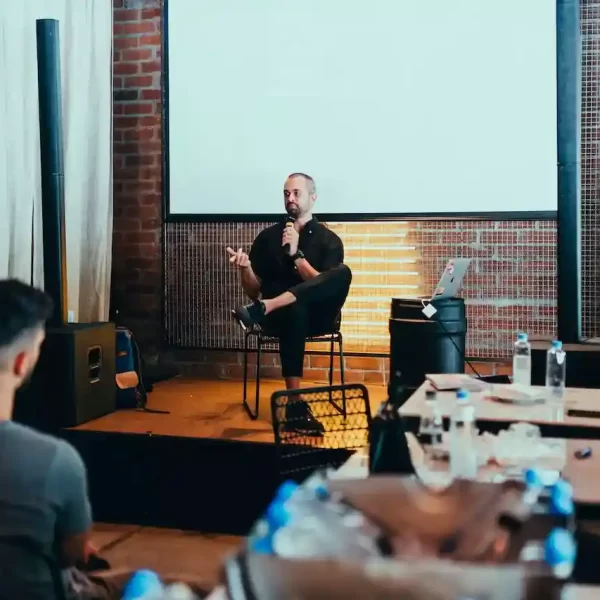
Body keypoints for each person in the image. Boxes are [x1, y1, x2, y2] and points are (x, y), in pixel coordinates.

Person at [228, 173, 352, 434]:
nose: (290, 198)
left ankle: (266, 307)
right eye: (286, 194)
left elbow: (326, 288)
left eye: (296, 193)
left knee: (343, 273)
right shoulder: (267, 238)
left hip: (320, 316)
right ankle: (296, 406)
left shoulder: (329, 240)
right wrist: (246, 268)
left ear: (313, 197)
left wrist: (296, 255)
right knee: (294, 308)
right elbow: (253, 290)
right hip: (282, 320)